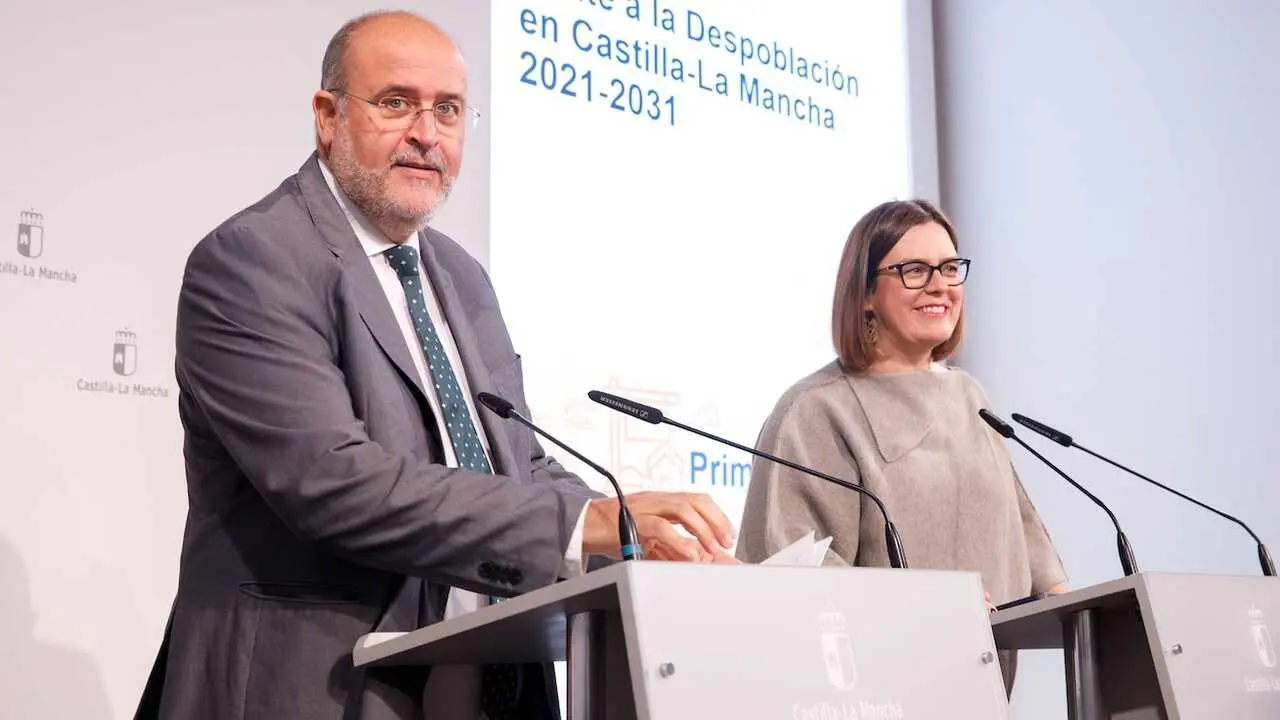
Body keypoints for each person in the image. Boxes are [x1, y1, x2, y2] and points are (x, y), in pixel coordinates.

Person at [134, 10, 736, 720]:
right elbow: (331, 483)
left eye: (448, 111)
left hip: (489, 680)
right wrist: (584, 525)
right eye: (396, 103)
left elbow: (518, 465)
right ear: (327, 117)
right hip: (317, 684)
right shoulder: (253, 260)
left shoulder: (459, 275)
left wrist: (635, 542)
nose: (427, 133)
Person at [734, 198, 1067, 695]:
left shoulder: (969, 395)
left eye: (950, 268)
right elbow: (791, 566)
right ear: (865, 293)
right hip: (868, 693)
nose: (940, 285)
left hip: (983, 688)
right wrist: (923, 608)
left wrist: (1076, 607)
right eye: (914, 270)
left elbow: (1018, 526)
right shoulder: (816, 409)